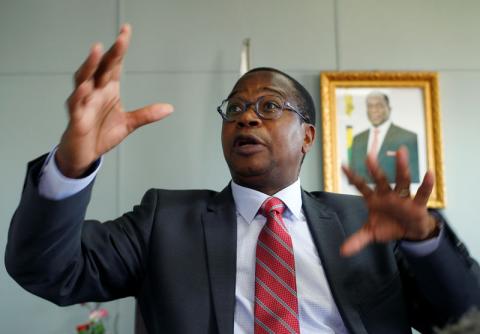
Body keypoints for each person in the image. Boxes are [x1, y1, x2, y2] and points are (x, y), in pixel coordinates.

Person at [5, 25, 480, 334]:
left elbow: (463, 318)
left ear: (307, 136)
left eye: (269, 107)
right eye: (234, 109)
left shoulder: (363, 221)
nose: (246, 118)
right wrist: (70, 167)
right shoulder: (164, 220)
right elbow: (46, 270)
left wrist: (424, 240)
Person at [350, 92, 420, 183]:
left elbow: (413, 178)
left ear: (389, 109)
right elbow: (353, 176)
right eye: (370, 106)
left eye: (379, 105)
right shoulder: (357, 139)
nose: (374, 110)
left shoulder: (408, 137)